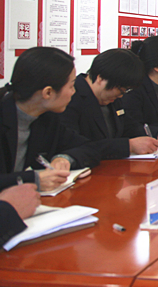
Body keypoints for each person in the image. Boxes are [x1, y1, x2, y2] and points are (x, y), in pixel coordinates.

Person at [0, 47, 101, 192]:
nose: (74, 92)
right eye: (71, 86)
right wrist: (33, 179)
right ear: (48, 92)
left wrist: (64, 158)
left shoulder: (46, 117)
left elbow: (90, 147)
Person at [60, 49, 158, 159]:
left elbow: (129, 126)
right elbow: (77, 145)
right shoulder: (70, 98)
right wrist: (128, 146)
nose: (121, 96)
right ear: (101, 78)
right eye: (121, 90)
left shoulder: (111, 97)